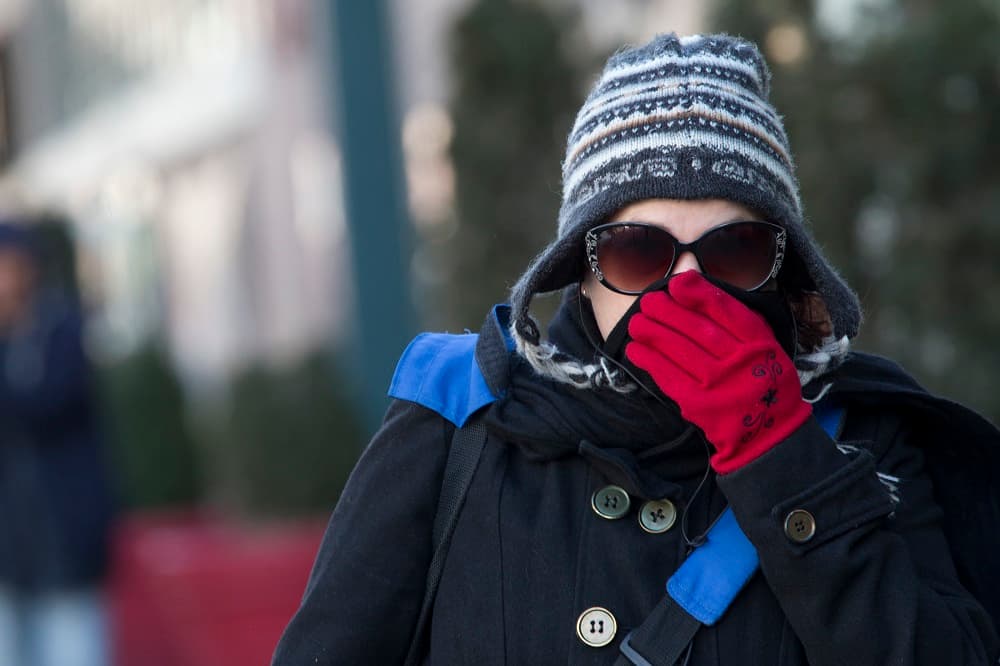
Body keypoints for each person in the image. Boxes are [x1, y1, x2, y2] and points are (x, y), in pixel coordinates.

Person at [272, 33, 1000, 665]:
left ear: (785, 269)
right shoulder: (456, 416)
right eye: (637, 251)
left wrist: (782, 457)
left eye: (735, 250)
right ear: (580, 274)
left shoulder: (864, 438)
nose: (686, 286)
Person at [0, 222, 115, 666]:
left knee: (73, 646)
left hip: (62, 540)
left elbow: (49, 403)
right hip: (10, 548)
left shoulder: (61, 331)